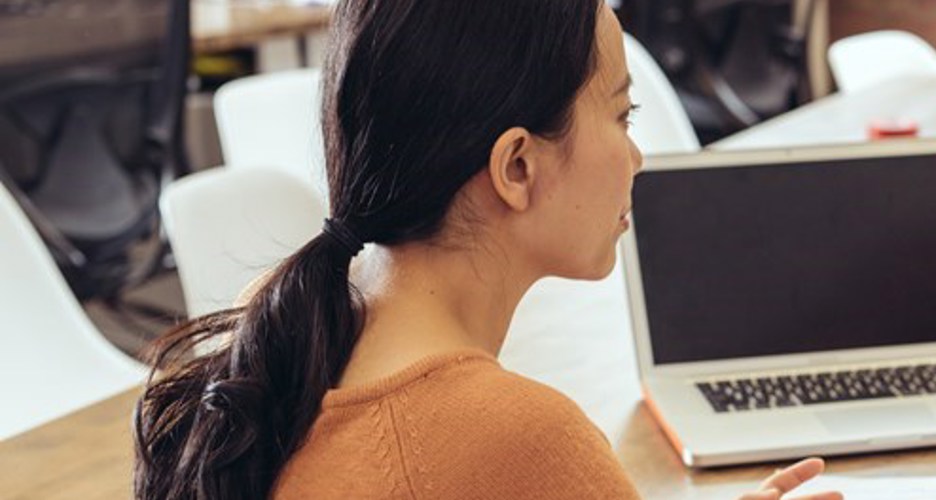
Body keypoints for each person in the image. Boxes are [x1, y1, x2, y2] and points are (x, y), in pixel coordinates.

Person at [132, 1, 844, 498]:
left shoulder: (288, 326)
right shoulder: (519, 439)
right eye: (622, 115)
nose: (637, 158)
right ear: (517, 168)